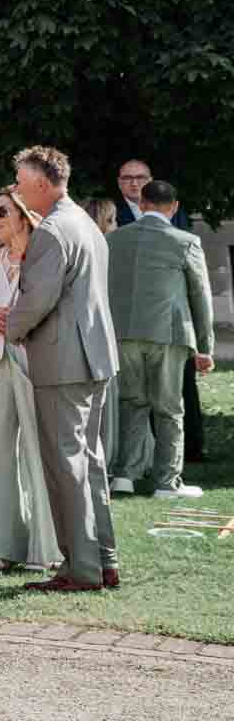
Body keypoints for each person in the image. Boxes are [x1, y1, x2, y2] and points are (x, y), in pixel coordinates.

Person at [3, 145, 121, 592]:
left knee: (67, 466)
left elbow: (37, 299)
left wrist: (7, 327)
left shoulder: (52, 229)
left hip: (64, 360)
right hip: (92, 356)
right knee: (88, 463)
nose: (15, 188)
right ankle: (102, 559)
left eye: (19, 180)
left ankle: (83, 568)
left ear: (40, 182)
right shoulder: (84, 222)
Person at [107, 178, 215, 498]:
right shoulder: (185, 241)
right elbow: (201, 296)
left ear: (142, 204)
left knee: (131, 403)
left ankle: (124, 475)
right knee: (169, 408)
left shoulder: (114, 240)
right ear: (175, 207)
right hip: (167, 333)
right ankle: (167, 482)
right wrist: (205, 347)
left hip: (123, 333)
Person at [0, 189, 62, 572]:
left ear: (24, 217)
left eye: (2, 212)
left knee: (37, 453)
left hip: (35, 360)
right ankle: (7, 545)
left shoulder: (43, 257)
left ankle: (46, 549)